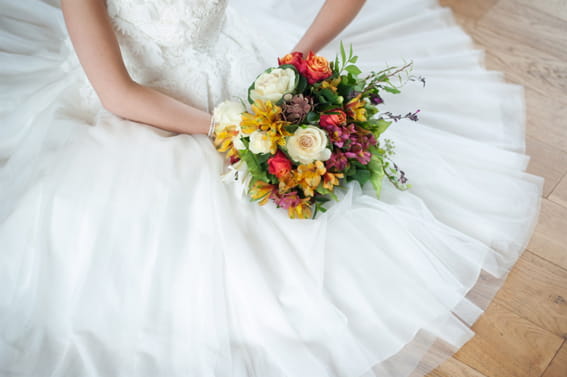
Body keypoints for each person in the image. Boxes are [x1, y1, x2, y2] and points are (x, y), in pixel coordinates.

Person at [0, 0, 544, 376]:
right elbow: (118, 94)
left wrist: (299, 60)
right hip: (133, 111)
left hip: (227, 70)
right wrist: (242, 130)